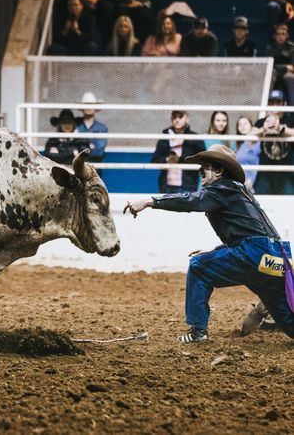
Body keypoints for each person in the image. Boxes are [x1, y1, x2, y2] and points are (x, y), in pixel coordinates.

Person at [124, 144, 294, 343]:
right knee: (288, 321)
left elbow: (191, 200)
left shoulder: (220, 189)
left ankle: (198, 332)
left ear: (220, 170)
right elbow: (252, 234)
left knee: (198, 267)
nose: (199, 172)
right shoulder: (239, 191)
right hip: (277, 257)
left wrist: (150, 201)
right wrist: (217, 251)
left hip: (253, 254)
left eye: (204, 166)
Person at [151, 110, 205, 193]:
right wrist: (166, 159)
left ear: (187, 119)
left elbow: (202, 160)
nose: (177, 120)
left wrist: (179, 159)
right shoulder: (164, 138)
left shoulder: (195, 138)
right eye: (174, 117)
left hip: (188, 185)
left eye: (180, 117)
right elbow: (154, 160)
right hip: (166, 186)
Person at [251, 89, 294, 194]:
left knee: (289, 201)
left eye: (278, 102)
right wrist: (263, 129)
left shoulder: (290, 120)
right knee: (261, 200)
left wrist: (281, 128)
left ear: (284, 104)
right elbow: (250, 135)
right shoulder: (262, 121)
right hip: (265, 171)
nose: (274, 105)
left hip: (285, 170)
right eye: (272, 102)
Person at [265, 23, 294, 104]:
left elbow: (292, 67)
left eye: (283, 34)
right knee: (269, 77)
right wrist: (284, 67)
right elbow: (268, 66)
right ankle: (266, 104)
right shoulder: (269, 48)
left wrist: (286, 69)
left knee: (291, 78)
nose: (281, 37)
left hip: (287, 73)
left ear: (287, 35)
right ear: (274, 36)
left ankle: (292, 107)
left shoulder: (292, 48)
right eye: (278, 34)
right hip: (274, 72)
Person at [75, 91, 108, 162]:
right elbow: (71, 148)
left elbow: (98, 152)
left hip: (94, 167)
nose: (89, 107)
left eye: (91, 104)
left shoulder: (101, 128)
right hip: (77, 167)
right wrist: (91, 146)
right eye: (86, 104)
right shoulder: (76, 126)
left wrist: (80, 150)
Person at [235, 116, 260, 193]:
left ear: (251, 126)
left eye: (245, 123)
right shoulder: (239, 145)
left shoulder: (257, 142)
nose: (243, 126)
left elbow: (257, 162)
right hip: (241, 183)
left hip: (253, 183)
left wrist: (251, 180)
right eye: (240, 124)